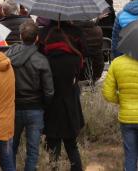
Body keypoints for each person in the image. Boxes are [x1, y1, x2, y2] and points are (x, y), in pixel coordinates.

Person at [5, 21, 54, 171]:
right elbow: (49, 91)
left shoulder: (8, 56)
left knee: (11, 147)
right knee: (32, 150)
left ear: (20, 36)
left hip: (14, 107)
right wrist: (44, 105)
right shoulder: (42, 60)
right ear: (37, 38)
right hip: (35, 108)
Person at [42, 27, 85, 170]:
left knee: (53, 150)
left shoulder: (45, 59)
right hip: (70, 107)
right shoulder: (75, 57)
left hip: (52, 108)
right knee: (72, 147)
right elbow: (77, 78)